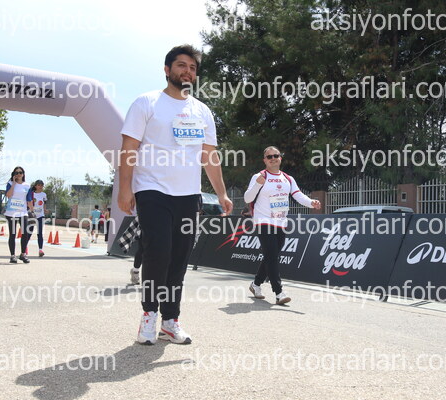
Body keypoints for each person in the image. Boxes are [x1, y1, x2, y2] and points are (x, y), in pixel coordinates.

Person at [118, 44, 233, 345]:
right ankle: (149, 315)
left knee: (179, 258)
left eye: (192, 68)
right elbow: (129, 149)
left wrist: (221, 193)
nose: (188, 72)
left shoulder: (202, 111)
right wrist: (124, 188)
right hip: (152, 189)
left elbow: (209, 156)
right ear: (167, 69)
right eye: (182, 65)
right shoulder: (146, 103)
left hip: (188, 195)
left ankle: (170, 321)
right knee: (158, 253)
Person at [244, 146, 321, 304]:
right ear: (265, 160)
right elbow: (247, 198)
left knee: (270, 256)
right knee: (272, 256)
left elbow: (298, 195)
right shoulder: (259, 176)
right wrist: (257, 184)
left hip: (280, 222)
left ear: (280, 158)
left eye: (276, 155)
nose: (273, 158)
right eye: (269, 156)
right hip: (263, 221)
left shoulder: (288, 178)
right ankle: (279, 292)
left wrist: (311, 202)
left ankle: (256, 284)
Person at [4, 166, 34, 264]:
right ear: (14, 174)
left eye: (20, 172)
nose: (18, 174)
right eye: (16, 173)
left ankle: (23, 254)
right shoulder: (10, 183)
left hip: (23, 212)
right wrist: (13, 183)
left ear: (23, 174)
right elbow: (8, 195)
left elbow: (29, 199)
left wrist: (32, 211)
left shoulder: (27, 185)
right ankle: (13, 256)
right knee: (12, 234)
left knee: (25, 233)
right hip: (11, 212)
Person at [31, 180, 48, 257]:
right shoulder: (32, 194)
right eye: (38, 185)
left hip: (40, 215)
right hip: (32, 215)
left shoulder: (43, 194)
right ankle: (24, 249)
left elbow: (44, 203)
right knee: (29, 232)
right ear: (35, 186)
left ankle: (40, 250)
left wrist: (45, 209)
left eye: (41, 185)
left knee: (40, 233)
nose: (40, 187)